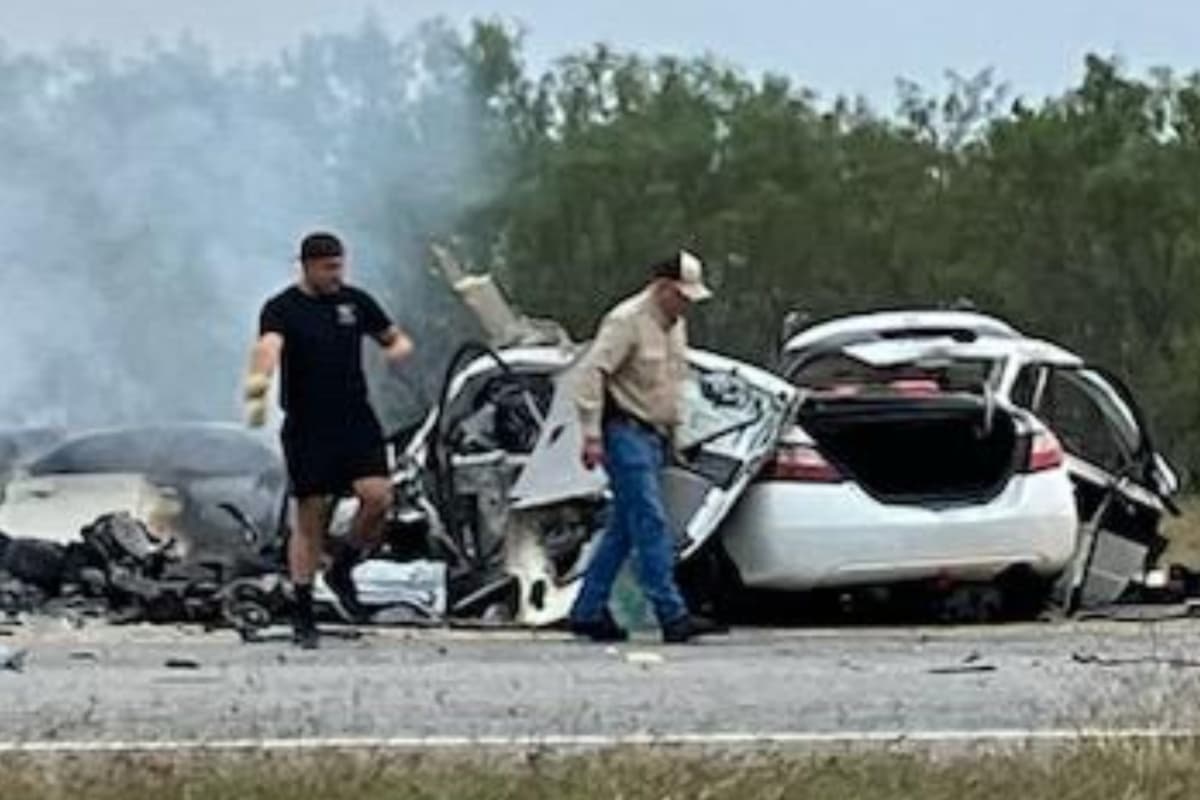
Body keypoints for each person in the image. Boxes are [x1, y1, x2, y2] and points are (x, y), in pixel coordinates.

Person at [244, 231, 413, 648]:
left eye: (340, 266)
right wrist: (258, 381)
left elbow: (395, 337)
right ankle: (303, 609)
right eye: (328, 268)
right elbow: (268, 347)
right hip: (307, 424)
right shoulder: (283, 308)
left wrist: (397, 354)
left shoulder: (355, 303)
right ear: (307, 266)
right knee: (311, 515)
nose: (336, 275)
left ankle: (343, 566)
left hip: (355, 419)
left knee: (378, 496)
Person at [570, 249, 727, 644]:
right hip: (625, 432)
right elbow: (591, 373)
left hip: (654, 436)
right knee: (651, 524)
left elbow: (674, 385)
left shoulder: (674, 325)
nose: (686, 305)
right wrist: (591, 433)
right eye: (681, 295)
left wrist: (678, 437)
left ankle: (588, 609)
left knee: (623, 529)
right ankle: (671, 613)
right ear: (661, 288)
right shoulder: (627, 321)